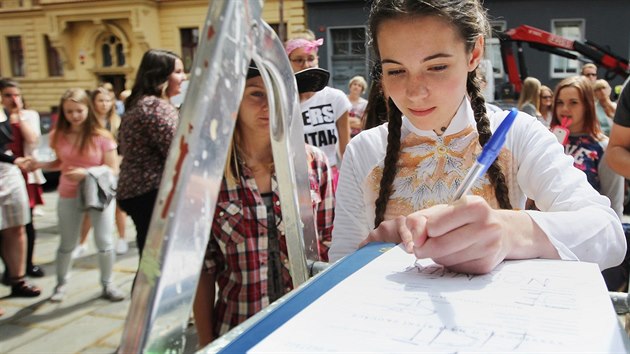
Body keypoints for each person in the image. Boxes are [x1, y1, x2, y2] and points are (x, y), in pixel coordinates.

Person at [328, 0, 625, 276]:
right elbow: (340, 265)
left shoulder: (517, 133)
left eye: (437, 67)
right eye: (395, 70)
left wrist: (510, 232)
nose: (415, 92)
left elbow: (608, 234)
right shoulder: (364, 150)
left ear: (475, 53)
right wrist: (375, 252)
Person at [192, 63, 334, 346]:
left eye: (278, 94)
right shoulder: (208, 174)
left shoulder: (313, 163)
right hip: (238, 328)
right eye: (256, 94)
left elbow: (328, 247)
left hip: (305, 324)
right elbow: (203, 270)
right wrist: (207, 342)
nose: (270, 105)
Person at [33, 88, 124, 302]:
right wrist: (40, 164)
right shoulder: (59, 135)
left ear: (87, 110)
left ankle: (107, 284)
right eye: (69, 111)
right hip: (68, 193)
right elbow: (60, 162)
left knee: (104, 241)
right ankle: (61, 284)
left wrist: (87, 172)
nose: (74, 116)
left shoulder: (101, 136)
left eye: (78, 111)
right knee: (67, 243)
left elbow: (113, 169)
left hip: (98, 193)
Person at [550, 75, 625, 290]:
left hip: (585, 245)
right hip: (548, 239)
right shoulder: (544, 140)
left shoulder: (602, 146)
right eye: (560, 102)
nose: (565, 109)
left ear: (587, 106)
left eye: (574, 102)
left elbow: (614, 203)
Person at [116, 49, 186, 258]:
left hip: (138, 191)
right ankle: (148, 290)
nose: (183, 77)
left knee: (150, 254)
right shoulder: (155, 107)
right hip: (150, 193)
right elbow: (180, 151)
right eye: (179, 72)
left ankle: (146, 288)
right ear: (161, 75)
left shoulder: (143, 102)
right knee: (155, 259)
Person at [285, 34, 351, 191]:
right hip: (294, 181)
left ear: (317, 59)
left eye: (310, 58)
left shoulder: (335, 98)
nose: (306, 64)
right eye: (299, 60)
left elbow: (346, 148)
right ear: (287, 62)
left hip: (329, 178)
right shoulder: (280, 101)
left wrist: (351, 182)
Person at [74, 87, 128, 258]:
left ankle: (122, 238)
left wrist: (118, 164)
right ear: (93, 103)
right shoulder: (87, 124)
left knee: (119, 207)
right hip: (94, 171)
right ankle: (81, 243)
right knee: (92, 207)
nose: (104, 104)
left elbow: (123, 148)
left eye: (107, 100)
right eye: (100, 100)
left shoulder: (117, 122)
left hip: (116, 169)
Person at [0, 79, 46, 278]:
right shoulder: (2, 118)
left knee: (26, 222)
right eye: (8, 95)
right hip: (8, 169)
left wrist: (18, 116)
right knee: (5, 226)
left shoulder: (28, 115)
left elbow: (34, 139)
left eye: (16, 95)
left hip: (26, 172)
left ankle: (27, 264)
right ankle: (10, 268)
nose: (13, 99)